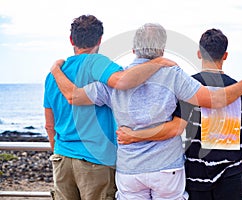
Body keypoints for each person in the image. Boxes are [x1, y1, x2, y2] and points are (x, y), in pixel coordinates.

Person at [50, 23, 242, 200]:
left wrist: (56, 70)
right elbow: (214, 99)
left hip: (130, 170)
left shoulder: (116, 79)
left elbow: (73, 96)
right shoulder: (173, 75)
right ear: (162, 50)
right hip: (167, 169)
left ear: (133, 50)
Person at [44, 15, 176, 200]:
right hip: (95, 161)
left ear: (71, 40)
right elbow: (124, 81)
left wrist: (60, 152)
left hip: (61, 159)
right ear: (99, 40)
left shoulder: (53, 77)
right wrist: (158, 62)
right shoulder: (97, 63)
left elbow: (49, 125)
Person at [118, 28, 242, 200]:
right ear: (225, 55)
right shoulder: (240, 91)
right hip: (231, 174)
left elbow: (175, 127)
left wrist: (134, 136)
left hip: (196, 172)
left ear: (199, 53)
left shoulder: (187, 85)